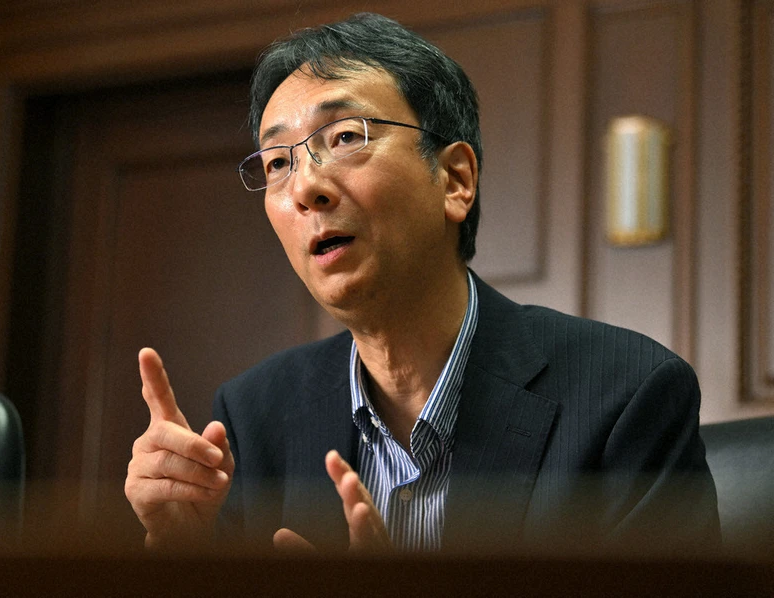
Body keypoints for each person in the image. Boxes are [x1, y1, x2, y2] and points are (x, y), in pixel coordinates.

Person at [125, 12, 720, 555]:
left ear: (455, 180)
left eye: (345, 137)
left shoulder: (625, 397)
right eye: (279, 161)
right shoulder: (254, 417)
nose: (305, 187)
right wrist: (182, 554)